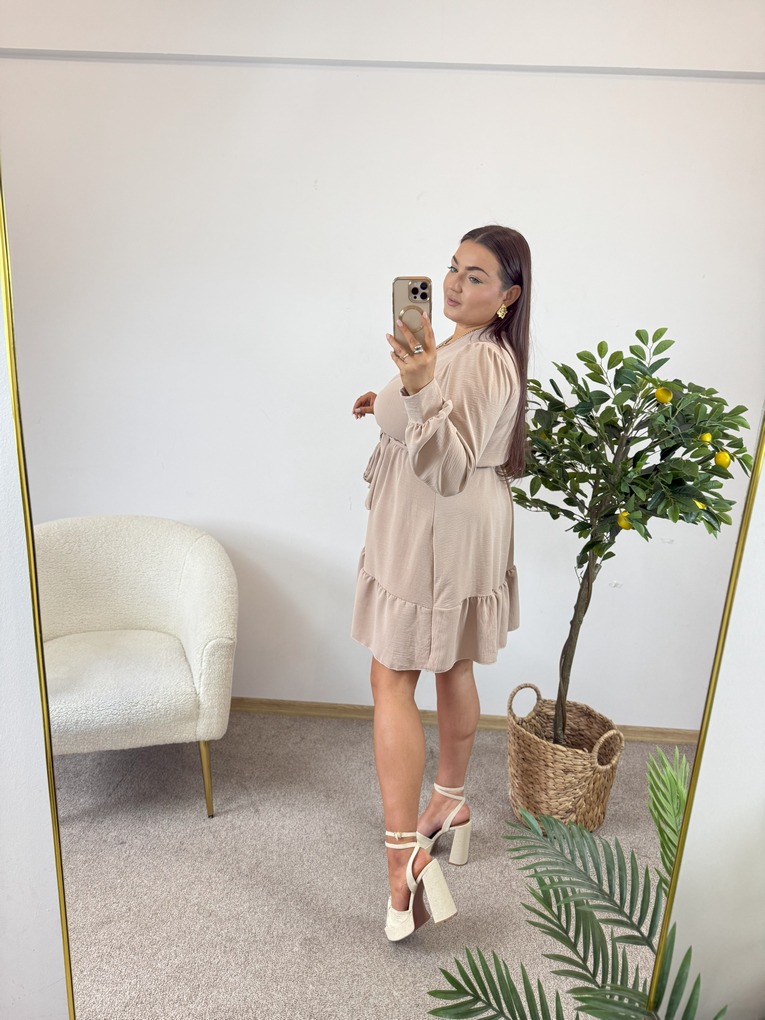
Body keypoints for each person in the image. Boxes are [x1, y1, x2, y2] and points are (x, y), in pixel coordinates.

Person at [351, 225, 531, 941]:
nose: (454, 283)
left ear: (509, 296)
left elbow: (451, 465)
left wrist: (419, 387)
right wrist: (387, 404)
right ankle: (450, 802)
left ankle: (403, 859)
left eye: (476, 276)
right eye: (453, 268)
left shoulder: (483, 361)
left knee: (390, 677)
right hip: (441, 527)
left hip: (437, 529)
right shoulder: (458, 345)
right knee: (451, 663)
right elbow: (437, 423)